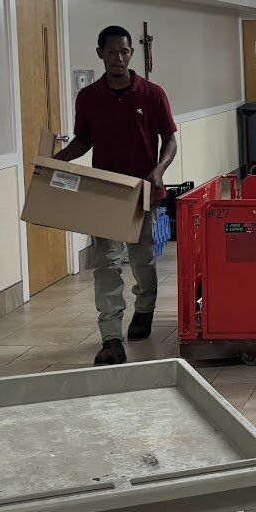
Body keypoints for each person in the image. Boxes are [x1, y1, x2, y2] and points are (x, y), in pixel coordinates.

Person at [55, 25, 178, 366]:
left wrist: (158, 170)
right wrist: (59, 159)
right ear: (100, 54)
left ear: (131, 54)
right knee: (106, 265)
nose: (119, 59)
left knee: (141, 260)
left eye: (124, 52)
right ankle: (110, 337)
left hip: (141, 192)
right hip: (105, 195)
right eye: (112, 53)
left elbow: (169, 139)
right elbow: (83, 140)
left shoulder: (151, 94)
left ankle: (145, 306)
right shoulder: (89, 97)